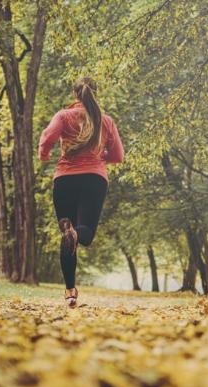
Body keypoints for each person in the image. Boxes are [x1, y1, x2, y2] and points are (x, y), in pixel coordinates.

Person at [38, 77, 124, 307]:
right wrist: (99, 157)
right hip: (94, 180)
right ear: (96, 94)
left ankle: (69, 291)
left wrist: (44, 154)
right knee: (82, 233)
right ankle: (77, 234)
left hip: (65, 180)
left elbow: (47, 137)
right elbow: (118, 156)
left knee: (67, 234)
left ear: (75, 94)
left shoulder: (63, 116)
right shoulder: (106, 121)